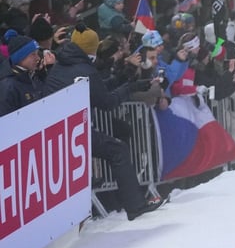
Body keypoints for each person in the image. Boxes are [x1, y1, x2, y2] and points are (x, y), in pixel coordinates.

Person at [43, 24, 166, 219]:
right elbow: (106, 102)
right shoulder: (84, 67)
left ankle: (128, 202)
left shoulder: (63, 64)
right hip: (71, 131)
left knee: (115, 150)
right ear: (90, 50)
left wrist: (125, 80)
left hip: (59, 129)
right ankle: (135, 206)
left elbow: (98, 89)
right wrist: (130, 88)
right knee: (118, 150)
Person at [0, 32, 45, 116]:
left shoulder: (32, 74)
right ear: (19, 58)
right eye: (33, 55)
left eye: (37, 53)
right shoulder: (8, 87)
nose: (38, 58)